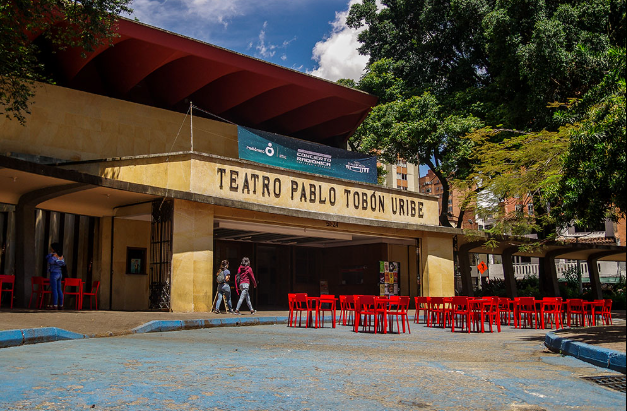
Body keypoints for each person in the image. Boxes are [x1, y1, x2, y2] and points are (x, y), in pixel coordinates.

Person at [45, 242, 66, 310]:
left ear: (53, 249)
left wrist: (51, 255)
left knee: (54, 289)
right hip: (60, 273)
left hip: (54, 273)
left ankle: (55, 304)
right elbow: (63, 264)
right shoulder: (61, 256)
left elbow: (49, 261)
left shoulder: (53, 256)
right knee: (59, 289)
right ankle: (61, 304)